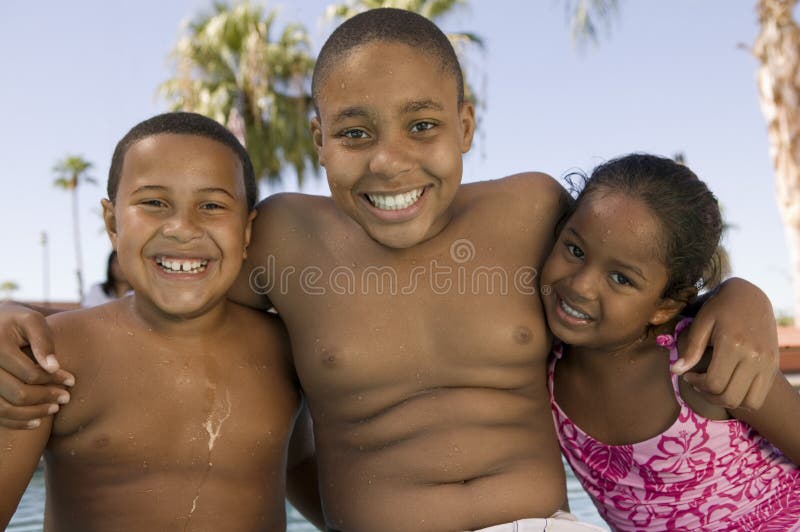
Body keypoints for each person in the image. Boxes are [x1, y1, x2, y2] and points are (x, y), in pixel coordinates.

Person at [0, 8, 781, 532]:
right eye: (354, 131)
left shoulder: (532, 212)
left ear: (466, 125)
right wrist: (23, 329)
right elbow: (168, 306)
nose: (389, 161)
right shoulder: (281, 241)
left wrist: (742, 294)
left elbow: (644, 278)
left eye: (423, 126)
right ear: (316, 139)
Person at [0, 112, 320, 531]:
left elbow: (295, 463)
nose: (183, 228)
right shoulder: (53, 355)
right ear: (113, 222)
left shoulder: (284, 350)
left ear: (246, 230)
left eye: (211, 205)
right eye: (154, 202)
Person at [543, 154, 800, 530]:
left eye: (620, 279)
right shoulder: (541, 368)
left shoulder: (702, 359)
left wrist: (744, 292)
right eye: (576, 251)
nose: (580, 285)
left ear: (665, 305)